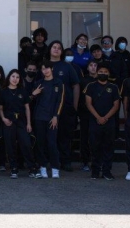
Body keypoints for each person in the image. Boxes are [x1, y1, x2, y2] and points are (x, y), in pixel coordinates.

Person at [45, 41, 80, 172]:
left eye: (59, 48)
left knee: (64, 136)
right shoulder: (44, 65)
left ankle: (66, 161)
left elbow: (76, 85)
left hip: (65, 107)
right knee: (48, 135)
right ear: (50, 49)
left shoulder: (67, 67)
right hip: (47, 108)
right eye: (54, 47)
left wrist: (74, 106)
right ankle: (49, 161)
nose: (56, 49)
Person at [84, 62, 121, 180]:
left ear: (109, 73)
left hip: (109, 122)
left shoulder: (114, 87)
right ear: (96, 73)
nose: (103, 74)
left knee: (108, 146)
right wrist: (98, 117)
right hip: (94, 121)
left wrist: (105, 118)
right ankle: (95, 171)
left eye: (105, 72)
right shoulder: (91, 86)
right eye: (100, 72)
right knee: (94, 146)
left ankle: (106, 171)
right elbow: (88, 103)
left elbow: (116, 105)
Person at [31, 61, 65, 179]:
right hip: (39, 117)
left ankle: (55, 167)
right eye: (43, 69)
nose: (45, 70)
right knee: (40, 143)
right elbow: (30, 100)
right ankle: (42, 166)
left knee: (52, 143)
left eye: (47, 68)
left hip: (52, 118)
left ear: (52, 69)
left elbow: (60, 101)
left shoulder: (58, 83)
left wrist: (56, 116)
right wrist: (33, 94)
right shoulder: (38, 83)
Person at [0, 69, 35, 179]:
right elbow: (0, 108)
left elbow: (27, 108)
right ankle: (14, 168)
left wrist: (29, 123)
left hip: (21, 121)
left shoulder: (22, 91)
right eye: (13, 76)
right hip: (9, 121)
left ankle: (32, 168)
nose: (15, 79)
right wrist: (3, 118)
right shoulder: (3, 91)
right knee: (10, 145)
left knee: (26, 143)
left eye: (17, 77)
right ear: (9, 77)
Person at [77, 59, 99, 172]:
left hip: (99, 114)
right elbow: (80, 97)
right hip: (85, 113)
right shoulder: (83, 80)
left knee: (97, 138)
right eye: (91, 65)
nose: (93, 67)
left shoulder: (101, 80)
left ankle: (97, 161)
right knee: (84, 137)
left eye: (95, 65)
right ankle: (85, 161)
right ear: (87, 67)